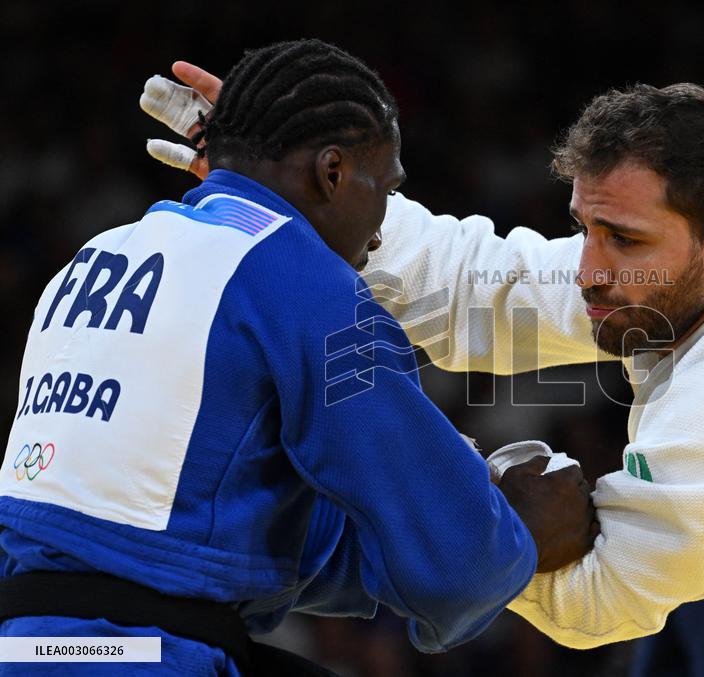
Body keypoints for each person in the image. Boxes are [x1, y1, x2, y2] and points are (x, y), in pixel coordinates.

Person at [145, 61, 704, 676]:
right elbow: (479, 287)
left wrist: (469, 521)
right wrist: (295, 184)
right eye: (584, 225)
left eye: (620, 237)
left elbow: (602, 599)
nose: (588, 267)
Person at [0, 39, 599, 676]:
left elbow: (235, 522)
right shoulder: (311, 288)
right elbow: (457, 571)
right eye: (386, 190)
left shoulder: (98, 257)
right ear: (332, 172)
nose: (381, 227)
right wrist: (522, 534)